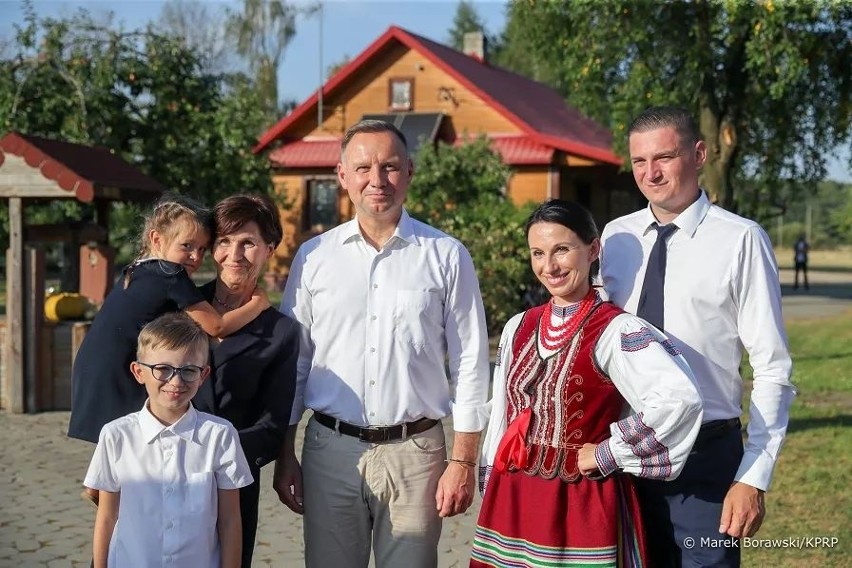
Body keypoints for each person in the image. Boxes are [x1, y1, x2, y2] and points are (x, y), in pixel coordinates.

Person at [273, 119, 490, 568]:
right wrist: (284, 452)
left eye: (390, 167)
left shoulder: (446, 255)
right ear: (342, 175)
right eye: (364, 167)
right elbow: (295, 362)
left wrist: (464, 461)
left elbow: (470, 362)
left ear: (409, 171)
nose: (377, 180)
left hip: (417, 455)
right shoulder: (314, 258)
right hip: (330, 451)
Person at [600, 106, 796, 567]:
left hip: (705, 460)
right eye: (639, 161)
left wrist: (753, 476)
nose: (650, 173)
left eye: (664, 157)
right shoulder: (615, 239)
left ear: (700, 153)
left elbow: (772, 368)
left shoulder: (741, 240)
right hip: (626, 455)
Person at [470, 199, 703, 567]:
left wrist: (609, 451)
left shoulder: (615, 329)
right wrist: (490, 478)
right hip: (514, 494)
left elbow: (679, 399)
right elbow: (503, 408)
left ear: (592, 249)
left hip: (579, 500)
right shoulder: (520, 326)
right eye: (538, 253)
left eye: (562, 250)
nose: (549, 266)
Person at [68, 194, 269, 502]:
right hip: (117, 368)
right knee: (136, 435)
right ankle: (105, 492)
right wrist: (258, 304)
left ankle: (103, 488)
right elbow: (215, 326)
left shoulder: (136, 269)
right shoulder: (169, 273)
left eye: (202, 249)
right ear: (156, 239)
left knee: (123, 435)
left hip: (95, 362)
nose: (194, 256)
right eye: (187, 245)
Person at [84, 312, 254, 568]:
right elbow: (107, 516)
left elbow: (229, 520)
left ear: (203, 375)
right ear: (139, 371)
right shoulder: (115, 435)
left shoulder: (220, 435)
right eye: (162, 369)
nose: (175, 381)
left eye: (188, 370)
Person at [192, 194, 299, 568]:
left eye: (248, 242)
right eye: (224, 241)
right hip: (156, 470)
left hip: (232, 483)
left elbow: (272, 425)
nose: (234, 254)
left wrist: (210, 448)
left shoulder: (281, 333)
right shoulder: (179, 304)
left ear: (269, 248)